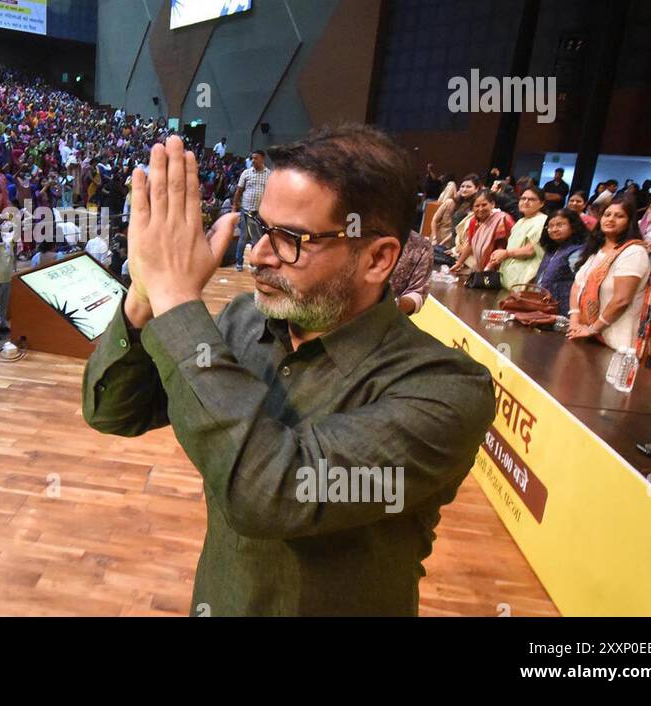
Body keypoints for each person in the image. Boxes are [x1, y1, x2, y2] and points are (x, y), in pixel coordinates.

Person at [81, 127, 493, 616]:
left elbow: (272, 493)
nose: (257, 255)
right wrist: (145, 296)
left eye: (292, 239)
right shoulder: (243, 320)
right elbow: (113, 411)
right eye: (260, 228)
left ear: (378, 258)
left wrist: (177, 297)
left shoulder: (446, 389)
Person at [567, 198, 651, 376]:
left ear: (630, 222)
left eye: (619, 216)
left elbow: (622, 300)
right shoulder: (598, 250)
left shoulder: (633, 252)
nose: (610, 219)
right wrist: (575, 320)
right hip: (589, 337)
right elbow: (578, 284)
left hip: (617, 346)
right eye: (607, 214)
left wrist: (592, 329)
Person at [490, 186, 545, 290]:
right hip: (509, 277)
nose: (526, 202)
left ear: (541, 203)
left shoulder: (541, 221)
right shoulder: (520, 221)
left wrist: (506, 253)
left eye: (531, 199)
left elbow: (530, 250)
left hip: (524, 279)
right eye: (523, 198)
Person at [534, 209, 588, 316]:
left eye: (560, 225)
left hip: (563, 309)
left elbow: (582, 281)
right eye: (550, 226)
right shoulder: (551, 249)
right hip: (544, 305)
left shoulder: (577, 251)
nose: (554, 229)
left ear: (573, 227)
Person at [450, 190, 512, 275]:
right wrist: (459, 263)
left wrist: (488, 268)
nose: (480, 209)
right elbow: (470, 244)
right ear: (472, 208)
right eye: (477, 206)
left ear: (492, 204)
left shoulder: (501, 220)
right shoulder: (473, 222)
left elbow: (502, 247)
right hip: (482, 268)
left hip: (499, 270)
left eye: (484, 205)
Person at [231, 150, 268, 272]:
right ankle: (239, 262)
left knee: (257, 239)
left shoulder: (269, 174)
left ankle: (253, 262)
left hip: (259, 213)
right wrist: (234, 206)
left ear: (262, 159)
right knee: (243, 237)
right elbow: (239, 191)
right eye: (252, 158)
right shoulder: (246, 173)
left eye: (256, 158)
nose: (253, 160)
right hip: (245, 210)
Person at [388, 230, 433, 315]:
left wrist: (392, 306)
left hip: (388, 320)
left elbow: (418, 292)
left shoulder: (421, 246)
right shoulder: (358, 233)